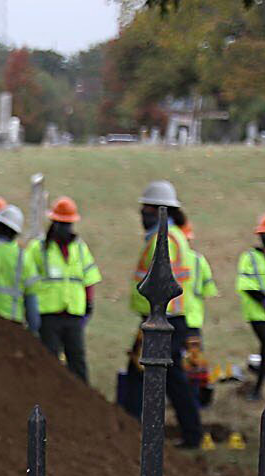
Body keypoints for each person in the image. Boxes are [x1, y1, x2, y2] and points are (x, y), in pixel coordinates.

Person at [116, 179, 208, 449]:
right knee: (166, 377)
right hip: (169, 317)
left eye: (146, 210)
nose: (142, 215)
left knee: (145, 374)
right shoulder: (176, 236)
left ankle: (132, 430)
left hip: (161, 317)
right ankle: (191, 432)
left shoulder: (163, 239)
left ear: (158, 210)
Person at [23, 197, 101, 382]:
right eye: (61, 223)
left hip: (73, 314)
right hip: (48, 314)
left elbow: (89, 278)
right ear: (54, 223)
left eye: (68, 224)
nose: (65, 228)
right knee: (49, 362)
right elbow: (28, 280)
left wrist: (89, 304)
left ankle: (82, 400)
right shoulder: (39, 248)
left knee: (77, 362)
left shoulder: (80, 248)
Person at [236, 212, 265, 402]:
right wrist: (264, 300)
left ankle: (264, 390)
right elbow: (245, 285)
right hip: (257, 312)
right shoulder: (249, 257)